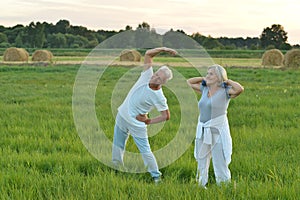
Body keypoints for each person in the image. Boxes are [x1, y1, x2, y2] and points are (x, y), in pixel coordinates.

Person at [112, 47, 177, 184]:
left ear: (163, 83)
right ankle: (117, 169)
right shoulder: (147, 75)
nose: (155, 77)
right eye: (156, 74)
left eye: (159, 78)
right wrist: (164, 49)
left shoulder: (159, 97)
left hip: (137, 123)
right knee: (118, 145)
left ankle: (156, 177)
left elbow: (166, 115)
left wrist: (148, 121)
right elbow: (148, 54)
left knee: (145, 151)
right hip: (122, 115)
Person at [187, 64, 244, 188]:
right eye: (207, 73)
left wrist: (226, 80)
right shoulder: (204, 89)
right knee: (202, 159)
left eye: (211, 74)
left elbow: (239, 89)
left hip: (217, 129)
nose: (208, 75)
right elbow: (188, 82)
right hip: (202, 128)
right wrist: (204, 78)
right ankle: (200, 185)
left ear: (219, 77)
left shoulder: (226, 91)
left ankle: (224, 186)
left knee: (220, 160)